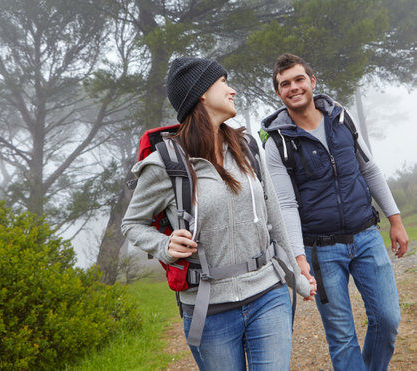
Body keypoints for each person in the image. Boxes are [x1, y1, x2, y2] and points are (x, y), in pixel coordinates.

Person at [122, 56, 316, 370]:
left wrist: (297, 277)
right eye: (223, 82)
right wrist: (164, 246)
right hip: (209, 311)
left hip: (268, 293)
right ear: (200, 93)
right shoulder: (164, 164)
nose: (233, 91)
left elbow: (274, 215)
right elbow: (133, 224)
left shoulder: (247, 146)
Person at [262, 53, 409, 371]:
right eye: (285, 84)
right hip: (321, 251)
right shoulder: (277, 144)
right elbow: (285, 204)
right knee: (342, 339)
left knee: (387, 319)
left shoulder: (342, 119)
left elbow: (369, 170)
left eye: (299, 79)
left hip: (368, 236)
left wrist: (395, 219)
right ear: (278, 93)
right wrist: (299, 258)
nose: (294, 87)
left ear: (312, 82)